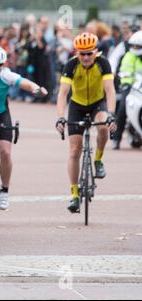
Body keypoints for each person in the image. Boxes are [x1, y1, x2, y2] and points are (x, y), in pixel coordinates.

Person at [0, 45, 48, 209]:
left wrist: (36, 89)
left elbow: (24, 82)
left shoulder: (6, 75)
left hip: (1, 113)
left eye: (0, 65)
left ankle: (4, 191)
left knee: (5, 152)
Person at [55, 32, 117, 213]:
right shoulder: (71, 65)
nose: (86, 57)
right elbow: (62, 94)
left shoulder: (103, 63)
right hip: (78, 106)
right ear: (76, 53)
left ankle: (98, 159)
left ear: (96, 51)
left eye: (89, 53)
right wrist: (60, 116)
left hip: (98, 103)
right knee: (75, 150)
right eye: (82, 53)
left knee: (104, 124)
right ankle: (74, 194)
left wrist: (111, 113)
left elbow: (110, 91)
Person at [113, 30, 142, 150]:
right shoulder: (128, 56)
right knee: (123, 107)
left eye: (138, 46)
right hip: (131, 87)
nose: (135, 48)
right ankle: (116, 138)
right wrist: (126, 84)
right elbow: (125, 72)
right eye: (133, 45)